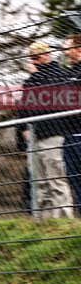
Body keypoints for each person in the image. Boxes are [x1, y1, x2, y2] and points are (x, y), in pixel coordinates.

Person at [15, 42, 75, 219]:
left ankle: (64, 220)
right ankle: (44, 221)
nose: (37, 60)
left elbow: (51, 96)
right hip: (34, 137)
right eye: (33, 57)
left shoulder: (57, 75)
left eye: (39, 56)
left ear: (47, 56)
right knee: (39, 183)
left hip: (53, 134)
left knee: (56, 179)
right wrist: (22, 139)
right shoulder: (30, 82)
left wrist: (35, 74)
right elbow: (22, 111)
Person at [62, 34, 81, 215]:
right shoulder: (70, 73)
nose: (65, 52)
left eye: (67, 48)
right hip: (69, 135)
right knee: (74, 179)